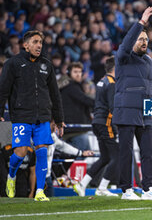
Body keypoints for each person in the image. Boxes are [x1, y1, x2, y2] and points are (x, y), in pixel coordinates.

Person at [0, 30, 65, 201]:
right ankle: (11, 176)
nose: (39, 45)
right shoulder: (13, 64)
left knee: (42, 151)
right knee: (20, 153)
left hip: (42, 116)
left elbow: (55, 94)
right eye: (35, 42)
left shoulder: (46, 65)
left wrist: (59, 119)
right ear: (25, 45)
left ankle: (39, 192)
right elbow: (3, 89)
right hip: (21, 115)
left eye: (41, 42)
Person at [112, 7, 152, 201]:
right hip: (126, 111)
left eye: (146, 39)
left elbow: (151, 88)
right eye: (140, 39)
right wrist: (140, 23)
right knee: (126, 153)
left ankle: (148, 188)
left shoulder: (149, 61)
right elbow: (125, 45)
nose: (144, 42)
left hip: (145, 114)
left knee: (148, 154)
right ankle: (126, 190)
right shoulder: (123, 57)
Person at [74, 56, 120, 197]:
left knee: (105, 157)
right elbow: (113, 107)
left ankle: (82, 184)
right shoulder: (111, 83)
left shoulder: (101, 81)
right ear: (115, 68)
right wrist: (118, 125)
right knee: (117, 157)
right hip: (106, 122)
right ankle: (102, 187)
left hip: (97, 122)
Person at [46, 121, 94, 197]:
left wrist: (81, 153)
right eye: (53, 125)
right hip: (38, 175)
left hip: (47, 176)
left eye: (56, 125)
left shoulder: (53, 136)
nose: (55, 128)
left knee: (49, 199)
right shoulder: (38, 135)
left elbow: (63, 146)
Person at [60, 62, 95, 151]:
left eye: (80, 72)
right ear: (69, 73)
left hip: (72, 130)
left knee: (77, 158)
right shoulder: (71, 87)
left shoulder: (70, 86)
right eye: (75, 72)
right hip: (76, 131)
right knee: (81, 158)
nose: (78, 74)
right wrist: (102, 104)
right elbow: (85, 100)